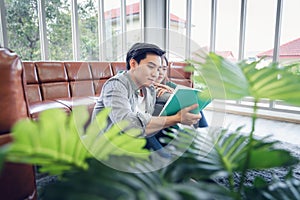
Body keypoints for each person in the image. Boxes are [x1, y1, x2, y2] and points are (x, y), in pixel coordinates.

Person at [92, 43, 202, 157]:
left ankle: (203, 166)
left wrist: (173, 94)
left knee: (179, 138)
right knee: (155, 142)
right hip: (111, 145)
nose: (156, 74)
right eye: (150, 66)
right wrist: (177, 118)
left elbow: (172, 102)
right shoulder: (116, 86)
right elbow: (128, 126)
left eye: (158, 69)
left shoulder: (149, 88)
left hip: (140, 137)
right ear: (133, 64)